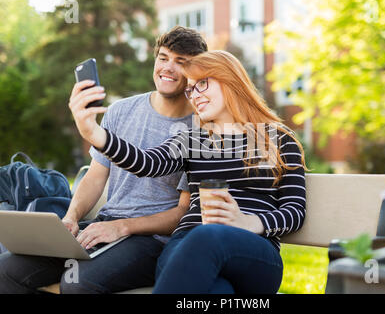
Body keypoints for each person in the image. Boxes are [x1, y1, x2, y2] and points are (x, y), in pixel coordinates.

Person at [69, 50, 307, 294]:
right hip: (185, 246)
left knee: (207, 237)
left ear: (229, 78)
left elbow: (294, 212)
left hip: (253, 250)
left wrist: (247, 222)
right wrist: (94, 134)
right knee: (217, 291)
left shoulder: (276, 139)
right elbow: (146, 162)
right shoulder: (193, 140)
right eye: (190, 89)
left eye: (202, 84)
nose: (195, 95)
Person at [0, 26, 208, 294]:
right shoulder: (121, 110)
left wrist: (122, 227)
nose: (168, 68)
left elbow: (183, 212)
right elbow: (96, 175)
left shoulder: (201, 129)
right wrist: (71, 217)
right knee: (6, 270)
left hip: (153, 241)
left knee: (78, 283)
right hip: (104, 227)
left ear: (197, 72)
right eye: (164, 57)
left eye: (182, 62)